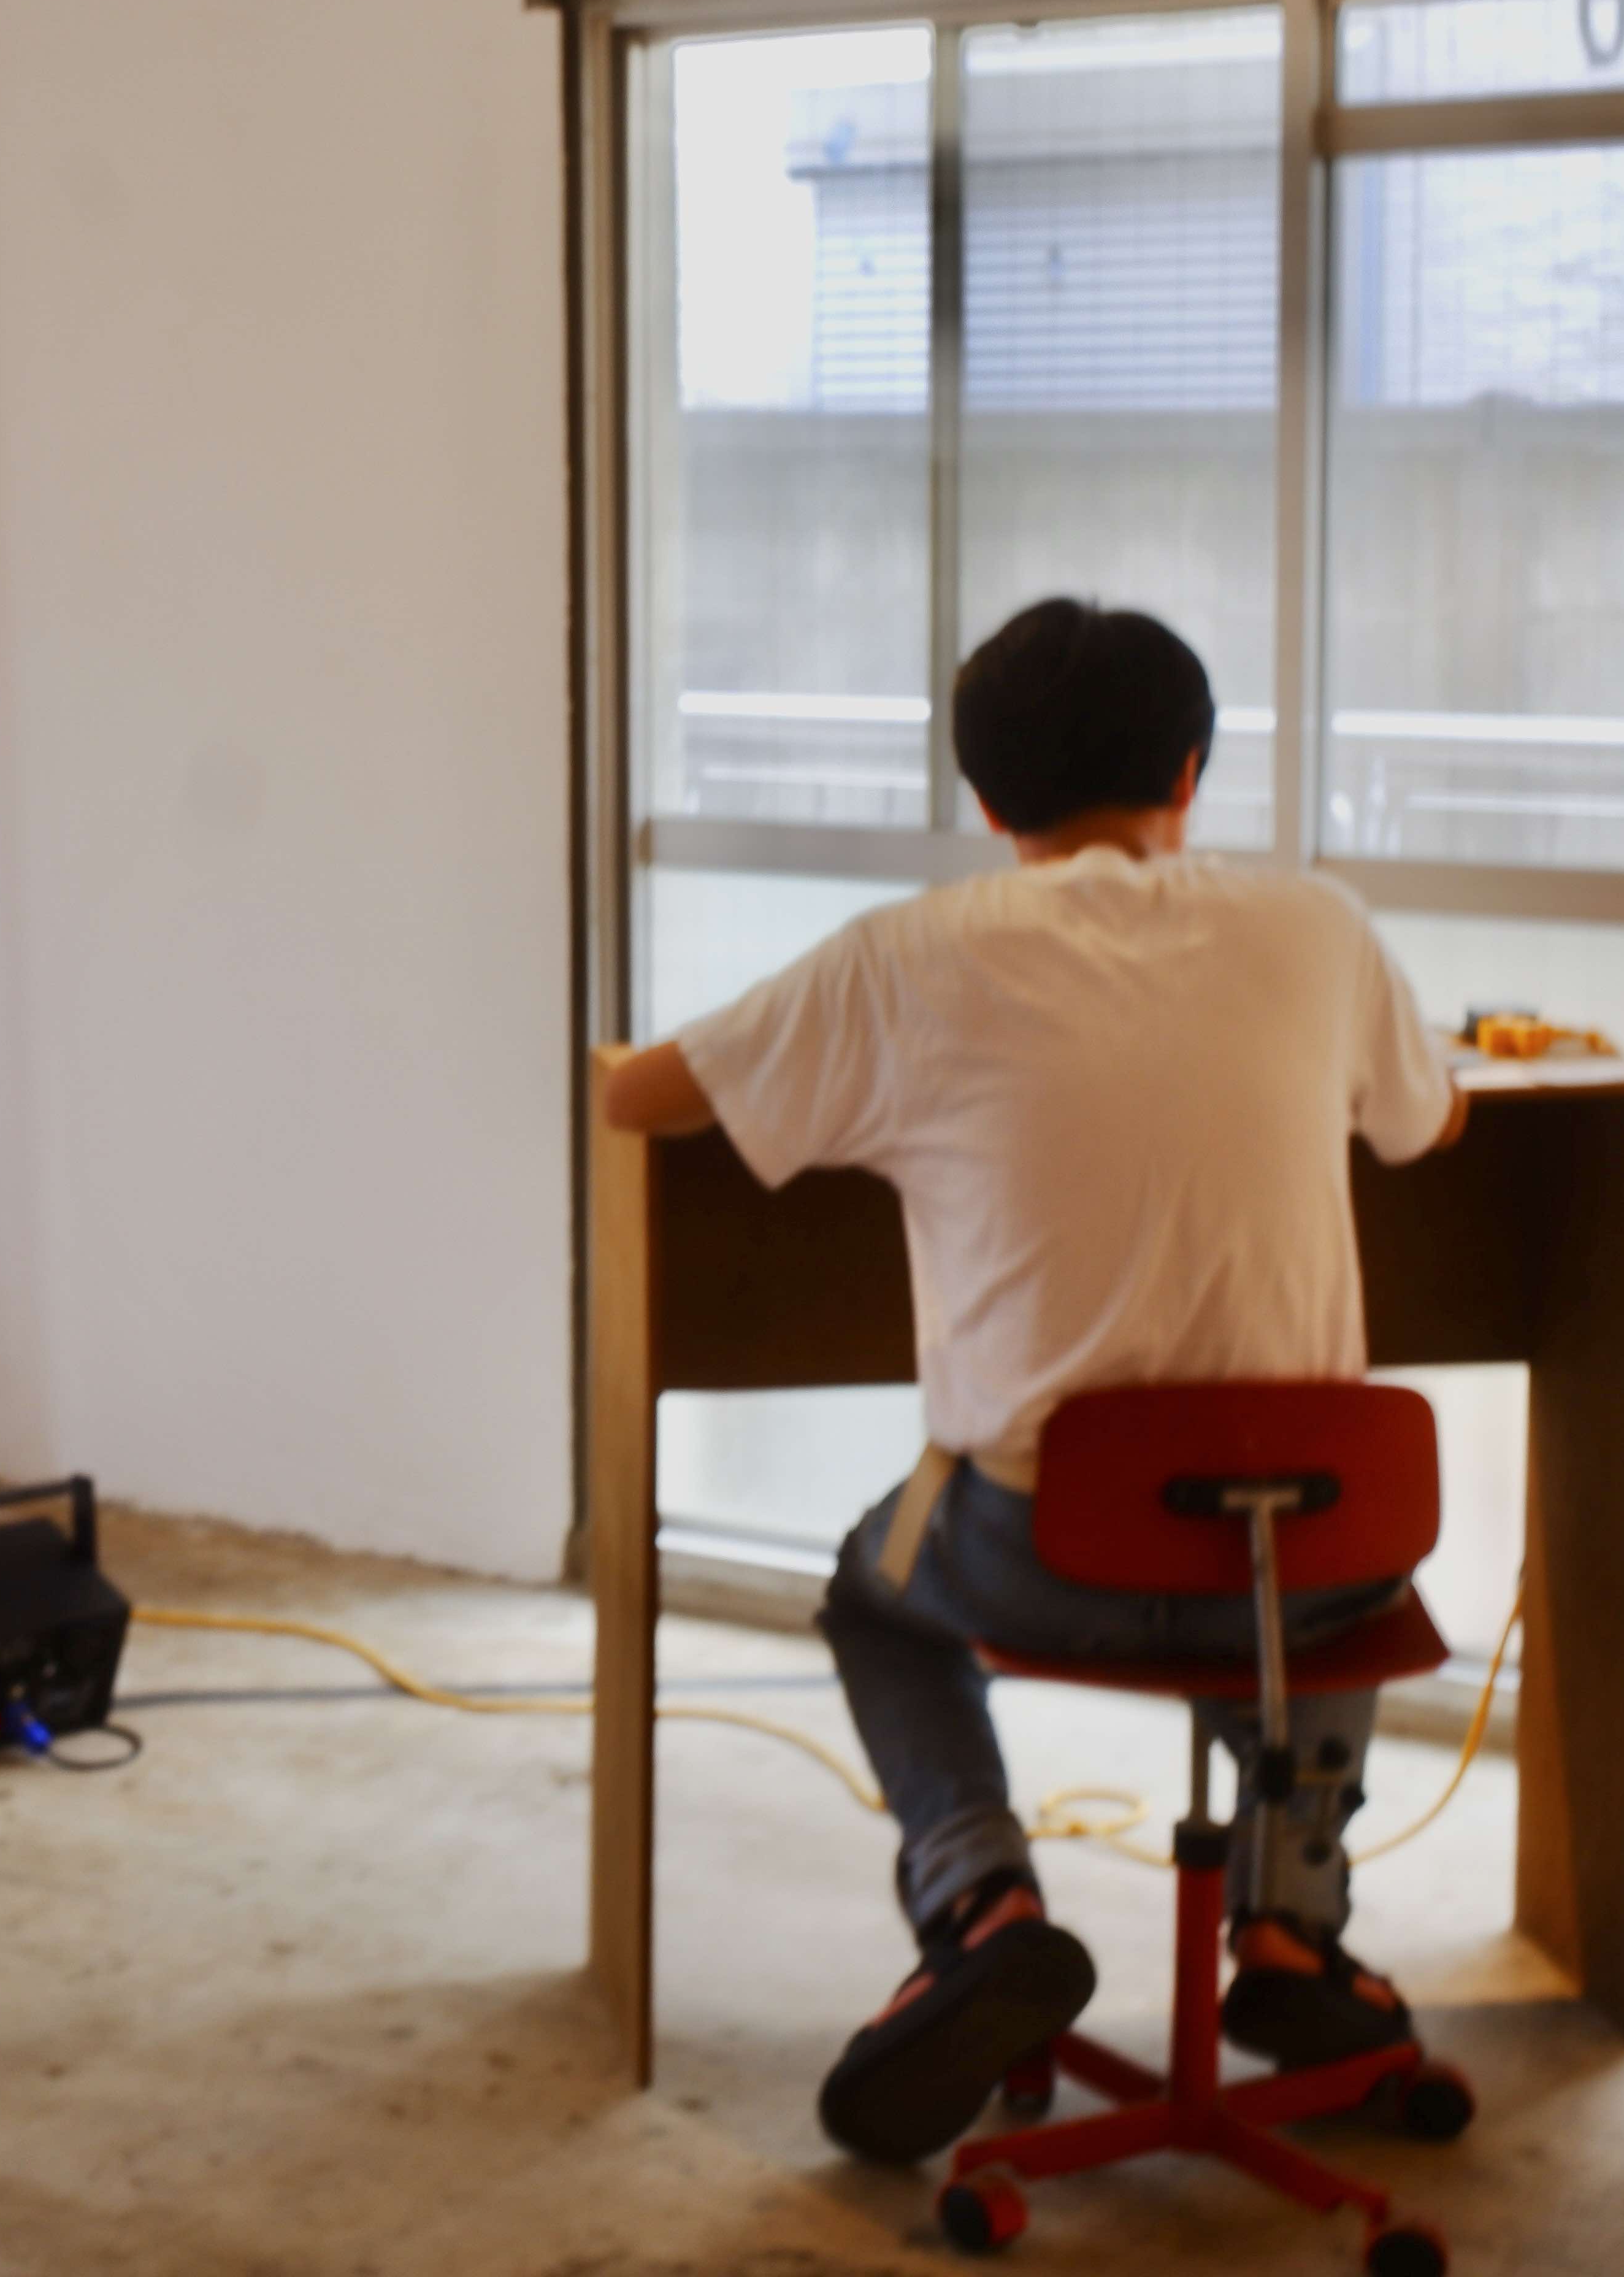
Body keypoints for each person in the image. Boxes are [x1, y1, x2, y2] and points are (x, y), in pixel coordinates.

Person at [601, 597, 1468, 2167]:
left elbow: (648, 1097)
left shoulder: (912, 954)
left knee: (876, 1592)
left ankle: (981, 1900)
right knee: (1319, 1513)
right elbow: (1431, 1124)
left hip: (1048, 1555)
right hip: (1309, 1571)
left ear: (987, 795)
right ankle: (1292, 1919)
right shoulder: (1320, 928)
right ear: (1191, 771)